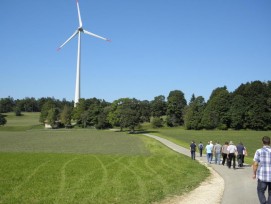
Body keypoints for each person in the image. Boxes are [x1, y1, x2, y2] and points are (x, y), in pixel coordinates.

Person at [253, 136, 271, 204]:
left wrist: (254, 173)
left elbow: (255, 164)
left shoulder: (259, 151)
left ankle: (263, 203)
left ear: (262, 142)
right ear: (270, 142)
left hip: (262, 176)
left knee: (260, 191)